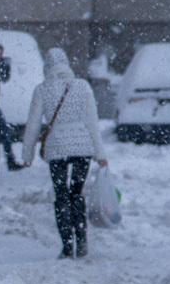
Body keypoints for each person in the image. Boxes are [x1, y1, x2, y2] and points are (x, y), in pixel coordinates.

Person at [20, 48, 107, 259]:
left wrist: (27, 154)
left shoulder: (42, 90)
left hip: (57, 148)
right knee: (77, 193)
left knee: (61, 195)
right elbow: (92, 122)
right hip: (82, 147)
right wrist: (100, 153)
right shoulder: (82, 86)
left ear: (46, 67)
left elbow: (32, 124)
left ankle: (67, 245)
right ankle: (82, 240)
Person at [0, 42, 24, 171]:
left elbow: (4, 78)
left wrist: (4, 66)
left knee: (4, 132)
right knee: (3, 131)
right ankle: (10, 161)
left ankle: (10, 160)